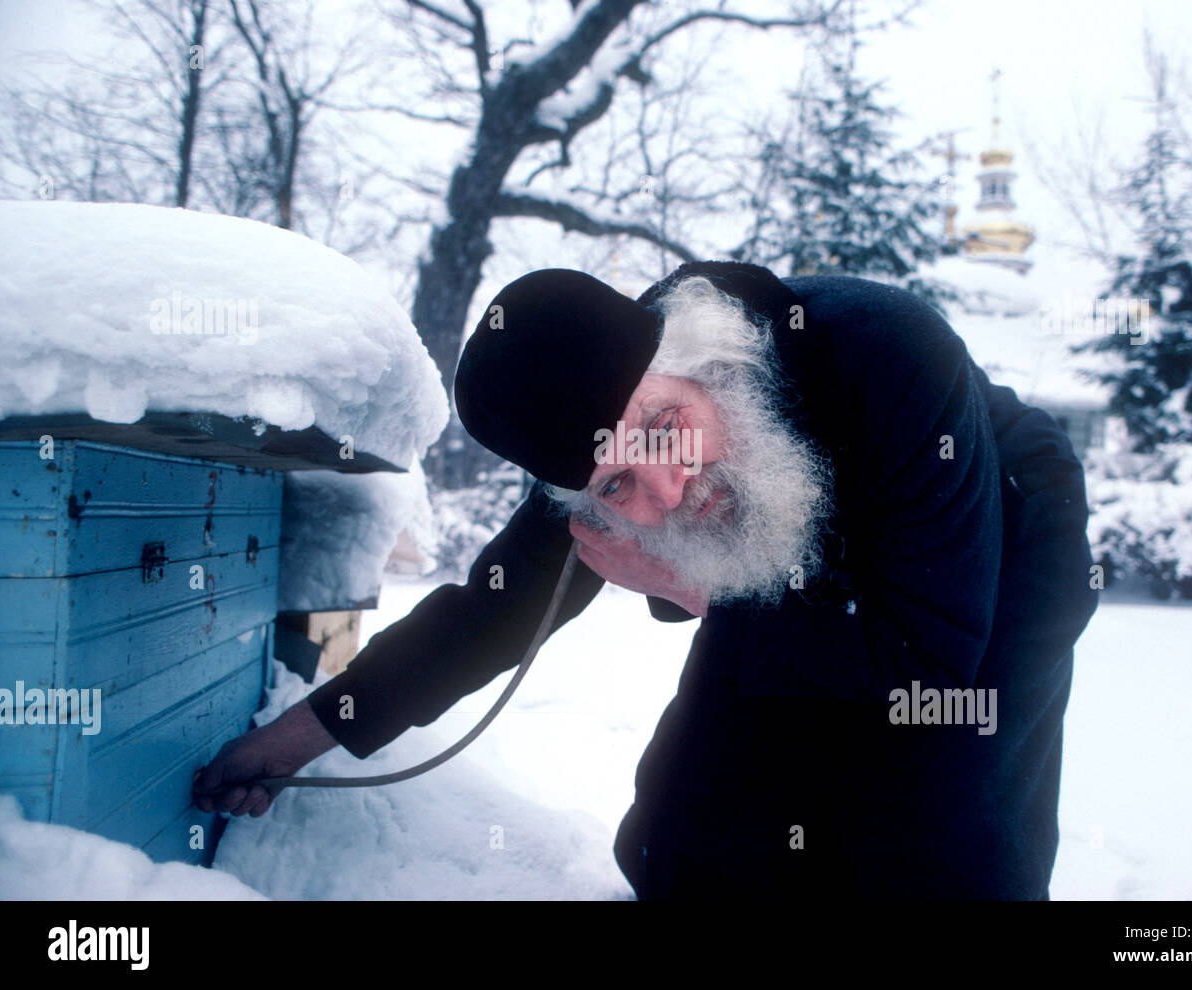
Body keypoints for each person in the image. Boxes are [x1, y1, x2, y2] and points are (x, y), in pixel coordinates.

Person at [194, 260, 1099, 899]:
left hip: (995, 556)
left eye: (663, 429)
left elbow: (926, 661)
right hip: (805, 587)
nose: (664, 491)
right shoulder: (592, 416)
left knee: (937, 828)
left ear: (699, 361)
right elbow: (496, 610)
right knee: (687, 824)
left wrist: (697, 590)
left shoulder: (895, 354)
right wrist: (303, 737)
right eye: (616, 484)